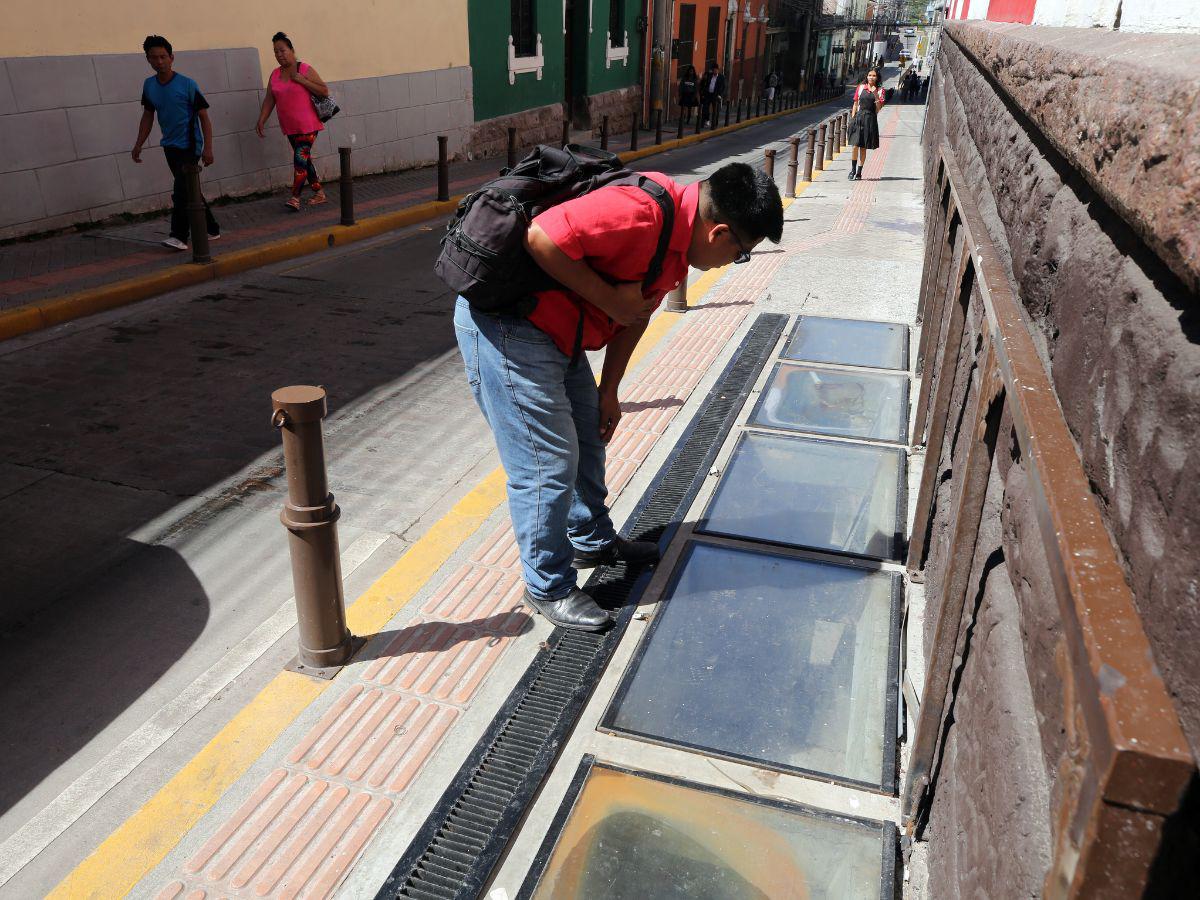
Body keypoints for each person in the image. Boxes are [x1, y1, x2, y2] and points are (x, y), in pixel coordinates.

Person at [453, 163, 783, 631]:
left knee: (588, 434)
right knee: (547, 463)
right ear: (720, 234)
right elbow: (542, 238)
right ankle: (548, 585)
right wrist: (611, 302)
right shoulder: (640, 213)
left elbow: (636, 313)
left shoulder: (676, 242)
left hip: (557, 331)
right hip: (509, 328)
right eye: (741, 254)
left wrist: (609, 391)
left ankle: (590, 538)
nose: (735, 262)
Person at [132, 35, 221, 251]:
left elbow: (204, 118)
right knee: (190, 190)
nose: (159, 61)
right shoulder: (149, 85)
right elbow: (148, 115)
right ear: (148, 60)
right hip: (169, 146)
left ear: (172, 58)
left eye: (163, 56)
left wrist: (208, 149)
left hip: (190, 146)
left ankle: (179, 236)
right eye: (154, 57)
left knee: (180, 191)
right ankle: (211, 228)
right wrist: (139, 143)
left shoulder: (187, 84)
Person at [256, 32, 330, 211]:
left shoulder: (304, 69)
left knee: (299, 160)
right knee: (305, 161)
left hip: (309, 125)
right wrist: (261, 120)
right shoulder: (275, 75)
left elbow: (324, 91)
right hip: (290, 127)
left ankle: (295, 198)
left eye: (282, 50)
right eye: (275, 52)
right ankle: (319, 193)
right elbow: (269, 99)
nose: (279, 54)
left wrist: (303, 81)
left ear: (291, 50)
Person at [848, 67, 884, 180]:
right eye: (869, 75)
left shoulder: (880, 91)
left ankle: (859, 171)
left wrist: (875, 94)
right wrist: (852, 118)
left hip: (870, 119)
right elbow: (855, 103)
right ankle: (852, 170)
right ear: (867, 76)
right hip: (858, 118)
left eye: (874, 75)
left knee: (863, 148)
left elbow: (879, 107)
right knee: (854, 146)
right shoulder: (860, 87)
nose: (871, 77)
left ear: (877, 78)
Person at [699, 62, 725, 128]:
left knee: (715, 110)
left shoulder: (721, 77)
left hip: (716, 95)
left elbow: (723, 87)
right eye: (713, 70)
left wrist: (720, 95)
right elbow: (705, 84)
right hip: (708, 94)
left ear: (718, 70)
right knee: (705, 109)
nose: (715, 71)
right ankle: (703, 123)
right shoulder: (709, 75)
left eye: (716, 70)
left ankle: (714, 124)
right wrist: (703, 93)